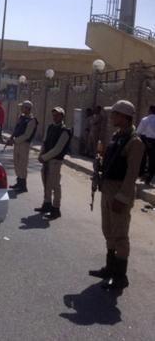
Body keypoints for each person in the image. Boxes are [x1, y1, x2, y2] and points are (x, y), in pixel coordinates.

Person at [89, 100, 143, 290]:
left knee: (120, 234)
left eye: (115, 115)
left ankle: (120, 276)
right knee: (108, 230)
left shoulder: (134, 142)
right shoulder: (116, 136)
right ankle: (110, 268)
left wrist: (122, 198)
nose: (112, 117)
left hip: (120, 191)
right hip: (108, 188)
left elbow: (131, 174)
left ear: (125, 117)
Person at [37, 106, 72, 220]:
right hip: (46, 159)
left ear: (62, 116)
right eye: (54, 114)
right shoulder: (50, 127)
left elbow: (58, 149)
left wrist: (44, 157)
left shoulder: (65, 131)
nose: (55, 117)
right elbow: (45, 142)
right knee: (46, 182)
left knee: (55, 185)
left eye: (57, 115)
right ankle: (47, 204)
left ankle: (56, 208)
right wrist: (41, 154)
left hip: (55, 160)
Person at [5, 100, 38, 193]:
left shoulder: (32, 121)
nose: (21, 109)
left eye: (23, 107)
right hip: (17, 143)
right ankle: (19, 182)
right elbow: (17, 129)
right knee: (16, 163)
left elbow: (27, 135)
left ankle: (23, 185)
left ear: (28, 108)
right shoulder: (22, 118)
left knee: (23, 164)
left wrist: (14, 140)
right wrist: (11, 138)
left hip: (24, 144)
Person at [136, 105, 155, 184]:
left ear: (150, 111)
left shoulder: (145, 119)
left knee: (142, 157)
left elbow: (138, 132)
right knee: (152, 160)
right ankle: (149, 177)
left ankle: (141, 174)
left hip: (145, 140)